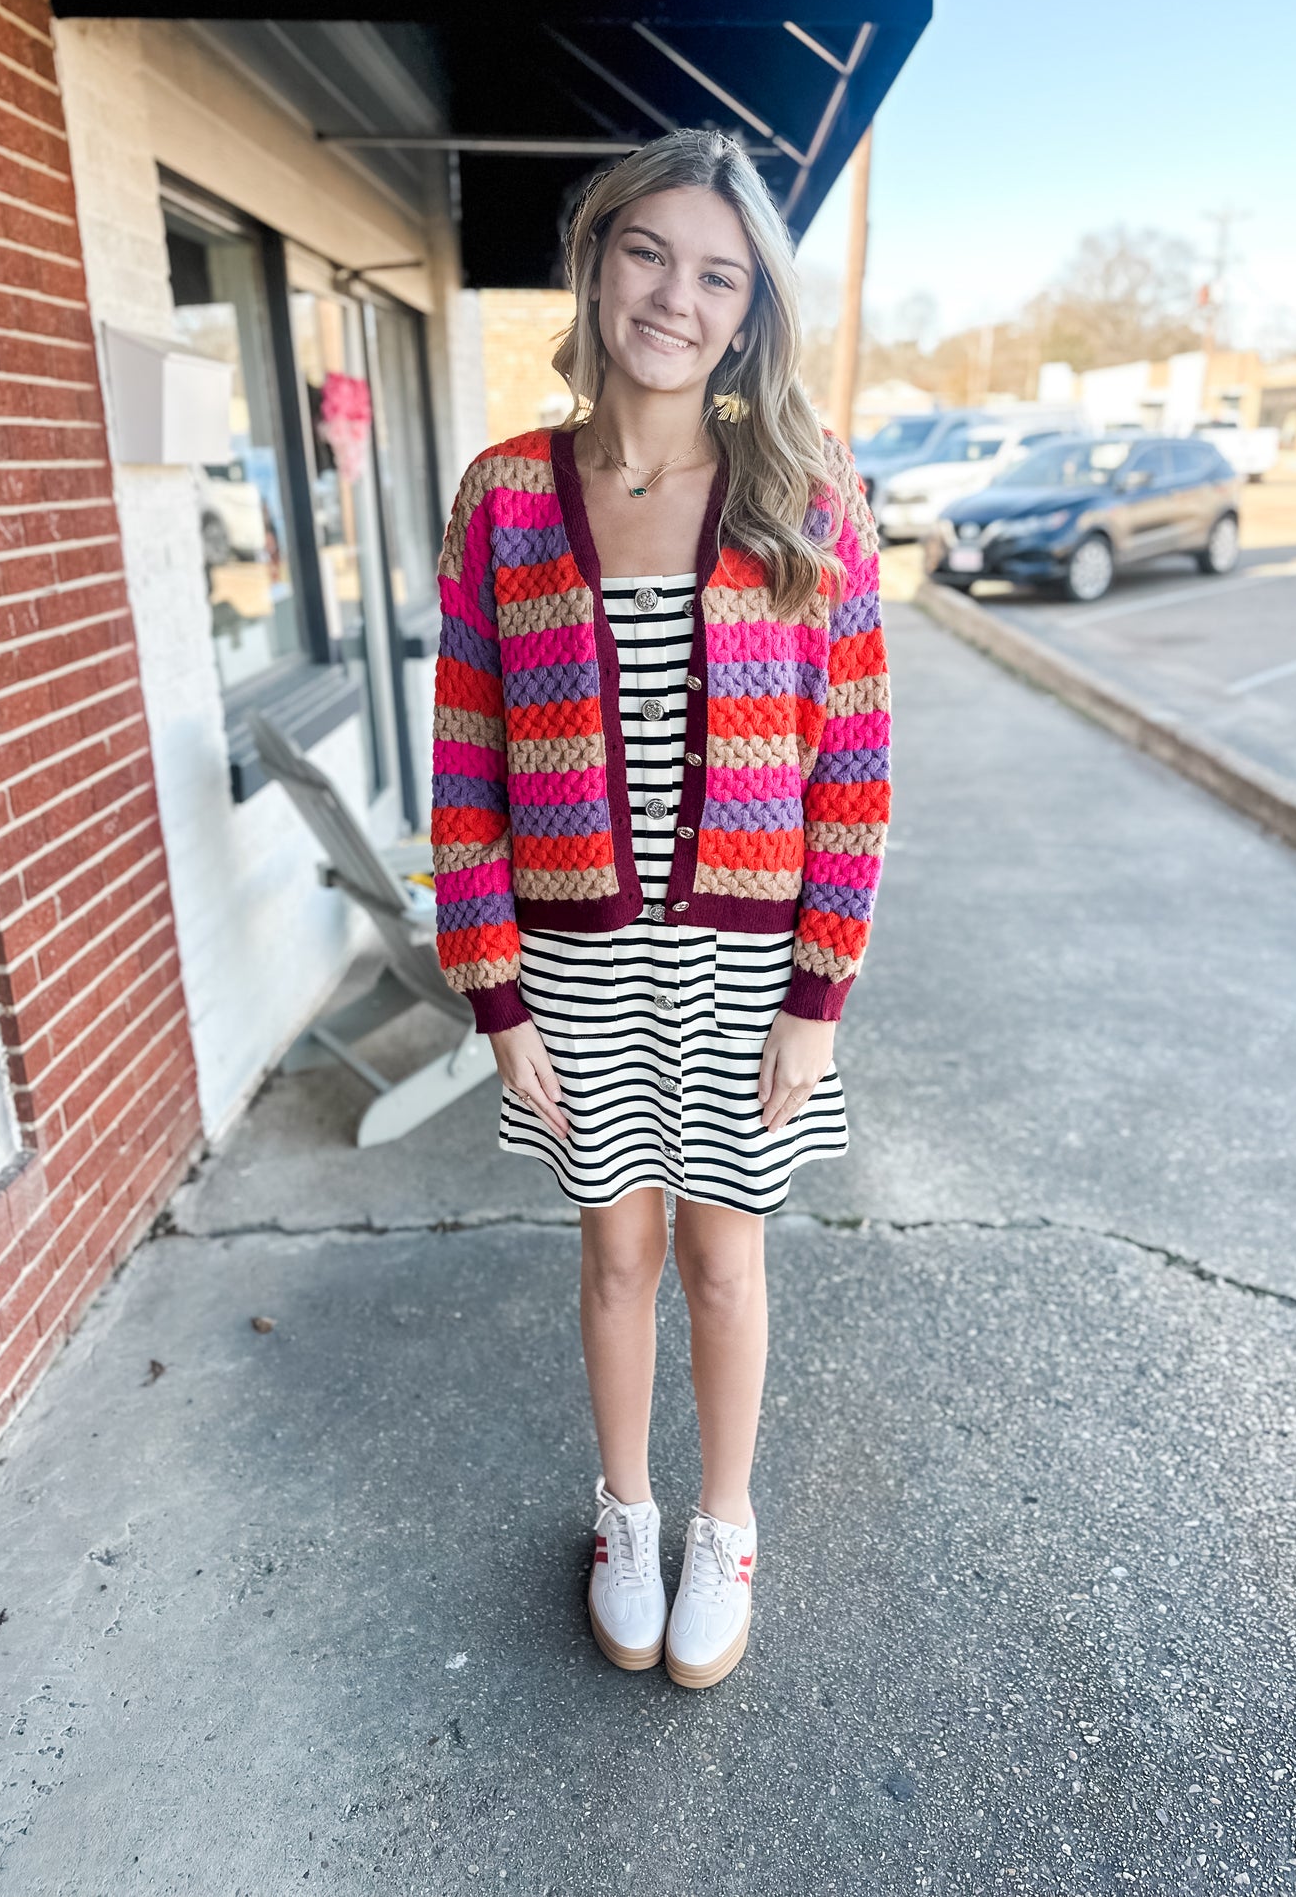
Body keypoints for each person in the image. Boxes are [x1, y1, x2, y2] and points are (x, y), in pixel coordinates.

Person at [431, 128, 890, 1689]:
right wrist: (494, 997)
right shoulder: (503, 495)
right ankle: (623, 1509)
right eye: (647, 254)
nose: (673, 297)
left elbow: (856, 775)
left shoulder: (810, 501)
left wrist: (817, 1003)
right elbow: (467, 760)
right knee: (614, 1253)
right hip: (571, 964)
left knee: (724, 1260)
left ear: (750, 305)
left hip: (747, 966)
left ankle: (725, 1518)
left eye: (716, 272)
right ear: (595, 260)